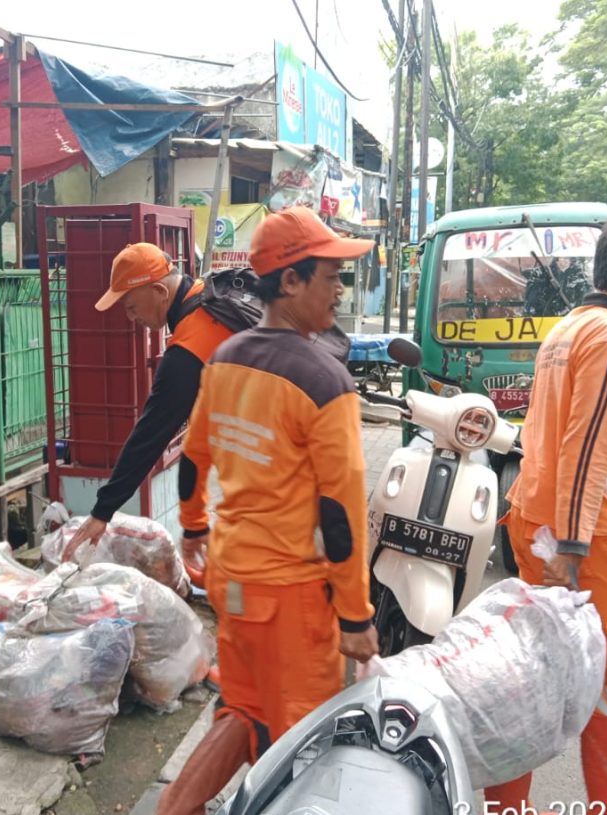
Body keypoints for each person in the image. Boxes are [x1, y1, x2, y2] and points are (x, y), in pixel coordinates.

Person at [157, 207, 378, 815]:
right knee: (298, 742)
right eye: (331, 276)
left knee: (243, 709)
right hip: (293, 597)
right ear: (290, 281)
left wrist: (195, 528)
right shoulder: (325, 381)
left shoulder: (226, 357)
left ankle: (171, 808)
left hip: (233, 581)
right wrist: (356, 617)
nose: (340, 290)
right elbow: (340, 512)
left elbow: (192, 457)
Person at [485, 218, 607, 814]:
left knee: (539, 672)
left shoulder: (568, 328)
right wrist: (570, 553)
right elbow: (589, 446)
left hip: (532, 519)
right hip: (582, 538)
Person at [63, 243, 234, 556]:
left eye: (131, 306)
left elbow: (150, 435)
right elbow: (196, 441)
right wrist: (194, 522)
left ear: (158, 290)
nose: (131, 317)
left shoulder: (188, 349)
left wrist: (102, 512)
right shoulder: (207, 296)